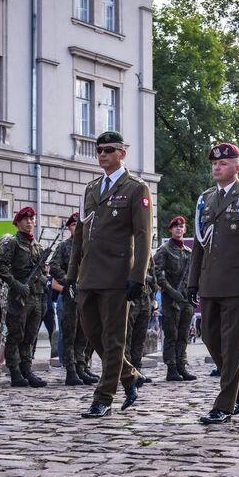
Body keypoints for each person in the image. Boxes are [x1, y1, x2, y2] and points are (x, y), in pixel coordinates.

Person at [66, 131, 152, 418]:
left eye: (108, 150)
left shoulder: (136, 188)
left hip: (117, 275)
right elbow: (80, 235)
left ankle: (103, 397)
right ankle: (129, 375)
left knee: (113, 338)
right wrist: (71, 273)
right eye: (99, 150)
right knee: (93, 333)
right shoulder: (91, 188)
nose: (102, 154)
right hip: (88, 275)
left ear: (122, 153)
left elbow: (143, 237)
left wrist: (137, 276)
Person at [187, 142, 239, 424]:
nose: (217, 167)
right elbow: (199, 244)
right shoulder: (205, 199)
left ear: (237, 167)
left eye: (223, 163)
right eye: (214, 163)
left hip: (237, 284)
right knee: (210, 338)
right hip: (209, 280)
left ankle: (225, 404)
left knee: (233, 346)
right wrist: (192, 281)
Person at [0, 206, 47, 388]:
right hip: (18, 297)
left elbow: (41, 272)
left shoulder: (37, 245)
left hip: (36, 296)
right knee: (15, 335)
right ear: (18, 222)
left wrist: (43, 279)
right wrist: (16, 284)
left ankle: (27, 369)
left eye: (32, 219)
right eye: (25, 219)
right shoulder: (12, 243)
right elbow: (1, 268)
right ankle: (15, 372)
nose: (29, 222)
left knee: (30, 336)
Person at [49, 213, 96, 386]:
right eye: (74, 224)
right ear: (69, 227)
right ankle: (71, 370)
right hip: (70, 296)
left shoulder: (90, 247)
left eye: (80, 225)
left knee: (84, 334)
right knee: (70, 333)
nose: (77, 228)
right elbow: (53, 267)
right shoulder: (64, 247)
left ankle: (81, 368)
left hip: (87, 295)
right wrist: (69, 281)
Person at [154, 215, 197, 382]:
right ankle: (171, 368)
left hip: (186, 299)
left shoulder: (189, 252)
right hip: (170, 299)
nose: (179, 229)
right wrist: (172, 292)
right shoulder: (164, 250)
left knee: (184, 333)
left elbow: (194, 275)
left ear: (185, 230)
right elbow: (158, 274)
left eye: (181, 226)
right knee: (171, 333)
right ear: (170, 229)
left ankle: (181, 365)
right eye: (175, 226)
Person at [126, 257, 158, 382]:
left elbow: (152, 274)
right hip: (130, 299)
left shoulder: (146, 252)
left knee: (140, 338)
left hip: (145, 300)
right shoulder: (126, 247)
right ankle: (127, 372)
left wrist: (153, 296)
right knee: (127, 338)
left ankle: (137, 370)